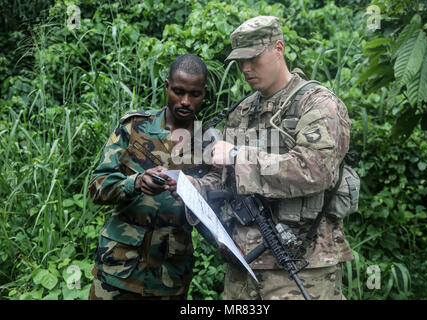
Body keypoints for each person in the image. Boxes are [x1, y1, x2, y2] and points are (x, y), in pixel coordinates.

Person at [188, 16, 359, 300]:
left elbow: (314, 170)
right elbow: (222, 176)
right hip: (243, 269)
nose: (245, 68)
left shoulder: (316, 103)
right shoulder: (242, 111)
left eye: (253, 58)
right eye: (240, 61)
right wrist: (193, 189)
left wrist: (238, 155)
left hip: (302, 270)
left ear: (278, 48)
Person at [88, 54, 210, 300]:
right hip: (117, 271)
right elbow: (97, 188)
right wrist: (136, 183)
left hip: (169, 277)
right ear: (166, 86)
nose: (185, 101)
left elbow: (217, 208)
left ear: (203, 94)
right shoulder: (134, 127)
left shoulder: (210, 143)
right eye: (178, 91)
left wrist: (193, 191)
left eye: (194, 94)